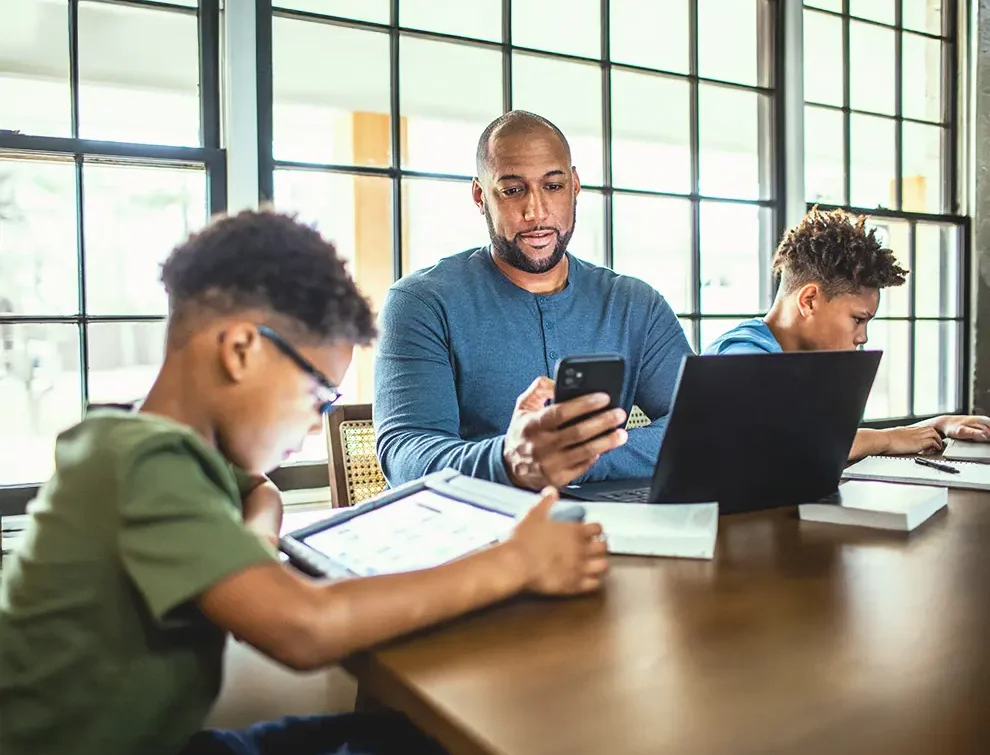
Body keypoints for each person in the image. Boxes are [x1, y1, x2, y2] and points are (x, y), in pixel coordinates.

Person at [0, 210, 609, 755]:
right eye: (319, 395)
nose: (318, 424)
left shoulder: (155, 446)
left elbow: (258, 488)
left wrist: (251, 547)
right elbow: (303, 629)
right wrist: (516, 562)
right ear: (241, 349)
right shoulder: (144, 462)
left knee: (403, 734)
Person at [374, 110, 693, 491]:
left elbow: (698, 423)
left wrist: (576, 459)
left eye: (553, 186)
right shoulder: (421, 303)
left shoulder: (634, 304)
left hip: (604, 521)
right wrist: (510, 461)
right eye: (513, 190)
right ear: (480, 196)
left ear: (575, 185)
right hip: (478, 522)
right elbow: (405, 454)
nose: (536, 212)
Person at [704, 207, 990, 460]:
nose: (862, 337)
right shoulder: (741, 356)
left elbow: (829, 440)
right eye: (858, 319)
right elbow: (788, 447)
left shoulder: (803, 361)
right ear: (809, 301)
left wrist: (934, 426)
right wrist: (888, 438)